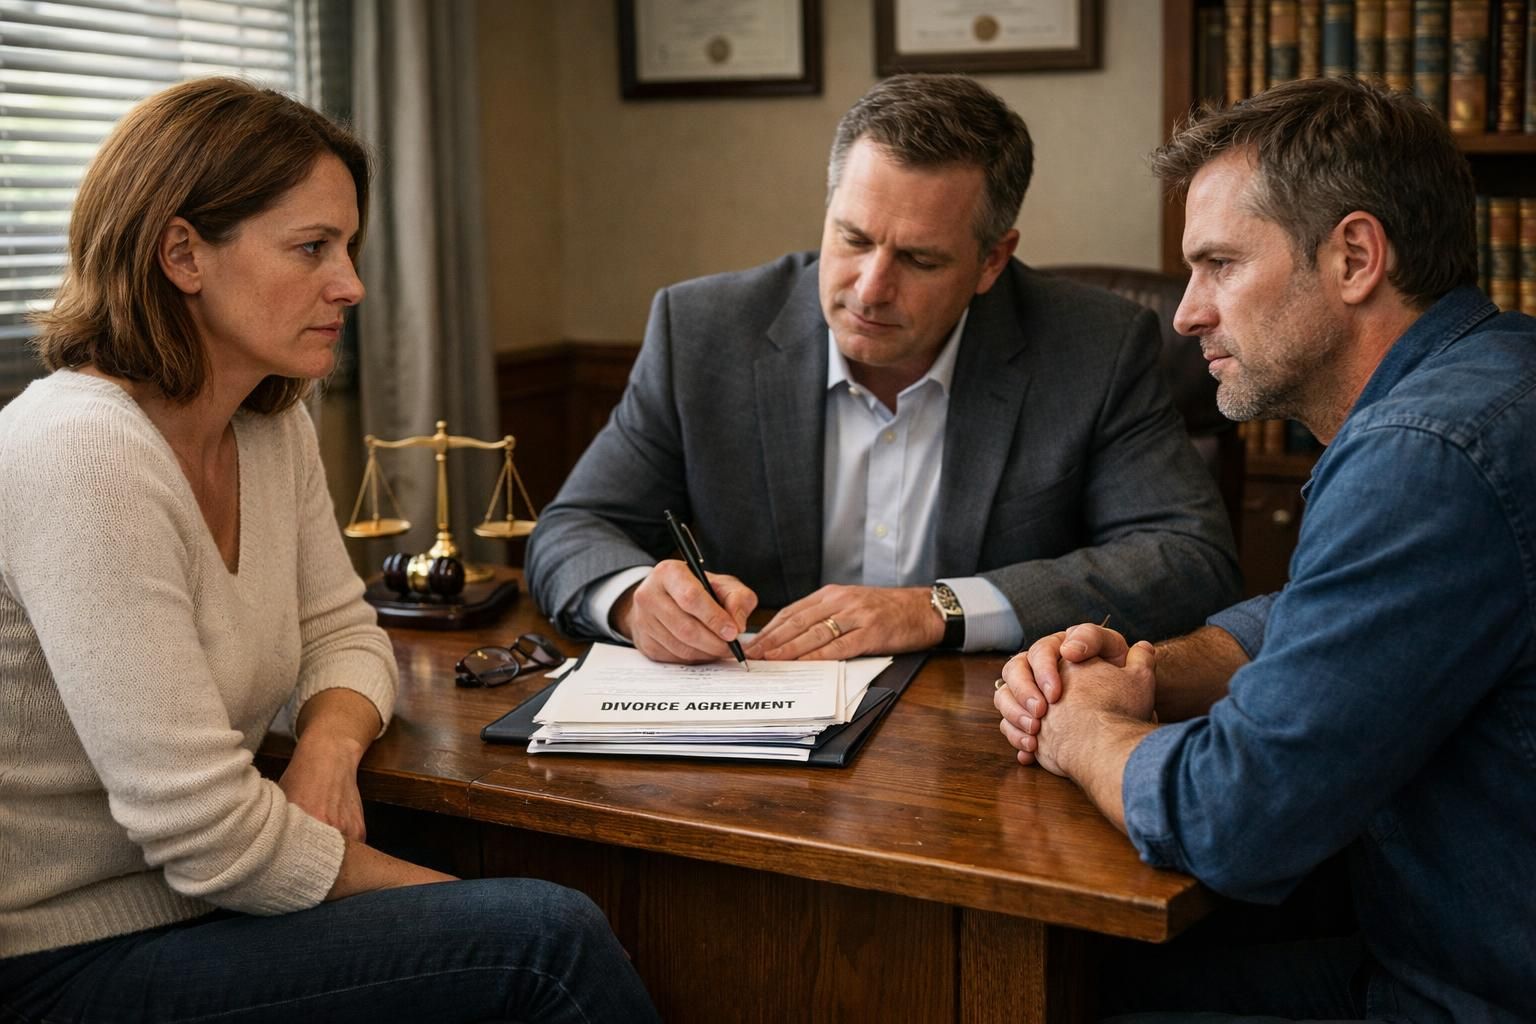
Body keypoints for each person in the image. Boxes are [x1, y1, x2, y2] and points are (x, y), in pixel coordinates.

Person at [0, 78, 657, 1023]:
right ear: (181, 252)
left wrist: (325, 748)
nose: (350, 283)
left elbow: (345, 630)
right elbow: (207, 838)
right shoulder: (82, 453)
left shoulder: (268, 421)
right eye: (312, 247)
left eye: (347, 246)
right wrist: (451, 906)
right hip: (64, 956)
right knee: (546, 942)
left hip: (201, 911)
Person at [995, 76, 1535, 1023]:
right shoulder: (1492, 380)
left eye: (1220, 265)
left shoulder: (1422, 455)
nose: (1186, 313)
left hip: (1464, 994)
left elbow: (1230, 819)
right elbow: (1324, 615)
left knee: (1032, 999)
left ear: (1356, 256)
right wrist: (1154, 670)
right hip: (1433, 947)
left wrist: (1079, 729)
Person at [526, 74, 1239, 665]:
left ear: (992, 259)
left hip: (980, 743)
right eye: (853, 238)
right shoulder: (705, 332)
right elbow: (573, 528)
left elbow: (1187, 558)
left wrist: (938, 608)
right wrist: (627, 596)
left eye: (920, 260)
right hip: (751, 735)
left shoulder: (1093, 346)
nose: (869, 288)